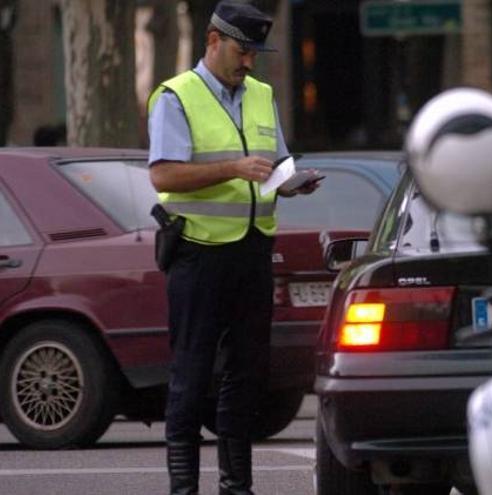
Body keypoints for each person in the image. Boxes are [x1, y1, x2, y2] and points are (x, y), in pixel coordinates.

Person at [146, 2, 319, 494]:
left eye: (255, 55)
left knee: (247, 376)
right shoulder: (177, 96)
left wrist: (292, 182)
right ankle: (184, 489)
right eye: (242, 52)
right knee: (191, 378)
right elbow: (163, 174)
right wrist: (234, 168)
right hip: (198, 253)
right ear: (213, 41)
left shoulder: (262, 95)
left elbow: (276, 164)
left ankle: (236, 487)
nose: (249, 63)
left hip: (252, 251)